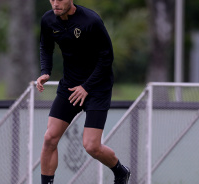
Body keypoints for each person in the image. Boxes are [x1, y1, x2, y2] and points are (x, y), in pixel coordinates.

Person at [36, 0, 130, 183]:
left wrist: (86, 87)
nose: (55, 3)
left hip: (97, 87)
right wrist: (45, 71)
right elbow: (45, 46)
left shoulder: (91, 21)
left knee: (91, 146)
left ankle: (120, 171)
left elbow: (106, 58)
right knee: (49, 138)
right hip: (70, 87)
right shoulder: (48, 20)